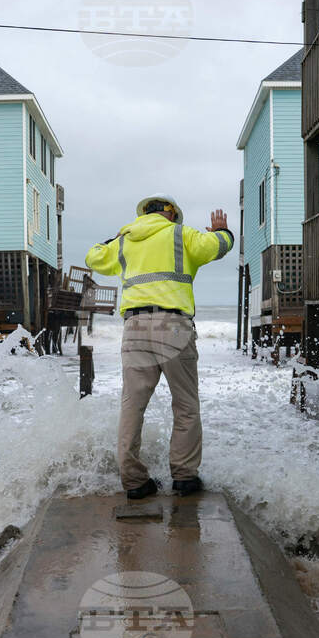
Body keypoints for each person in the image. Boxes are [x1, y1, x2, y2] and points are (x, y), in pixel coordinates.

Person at [85, 194, 234, 499]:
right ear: (170, 214)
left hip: (135, 327)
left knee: (132, 406)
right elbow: (217, 247)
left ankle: (134, 481)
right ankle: (184, 476)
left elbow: (93, 257)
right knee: (185, 404)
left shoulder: (125, 241)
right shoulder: (181, 234)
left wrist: (113, 238)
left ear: (143, 215)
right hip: (174, 326)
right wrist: (224, 232)